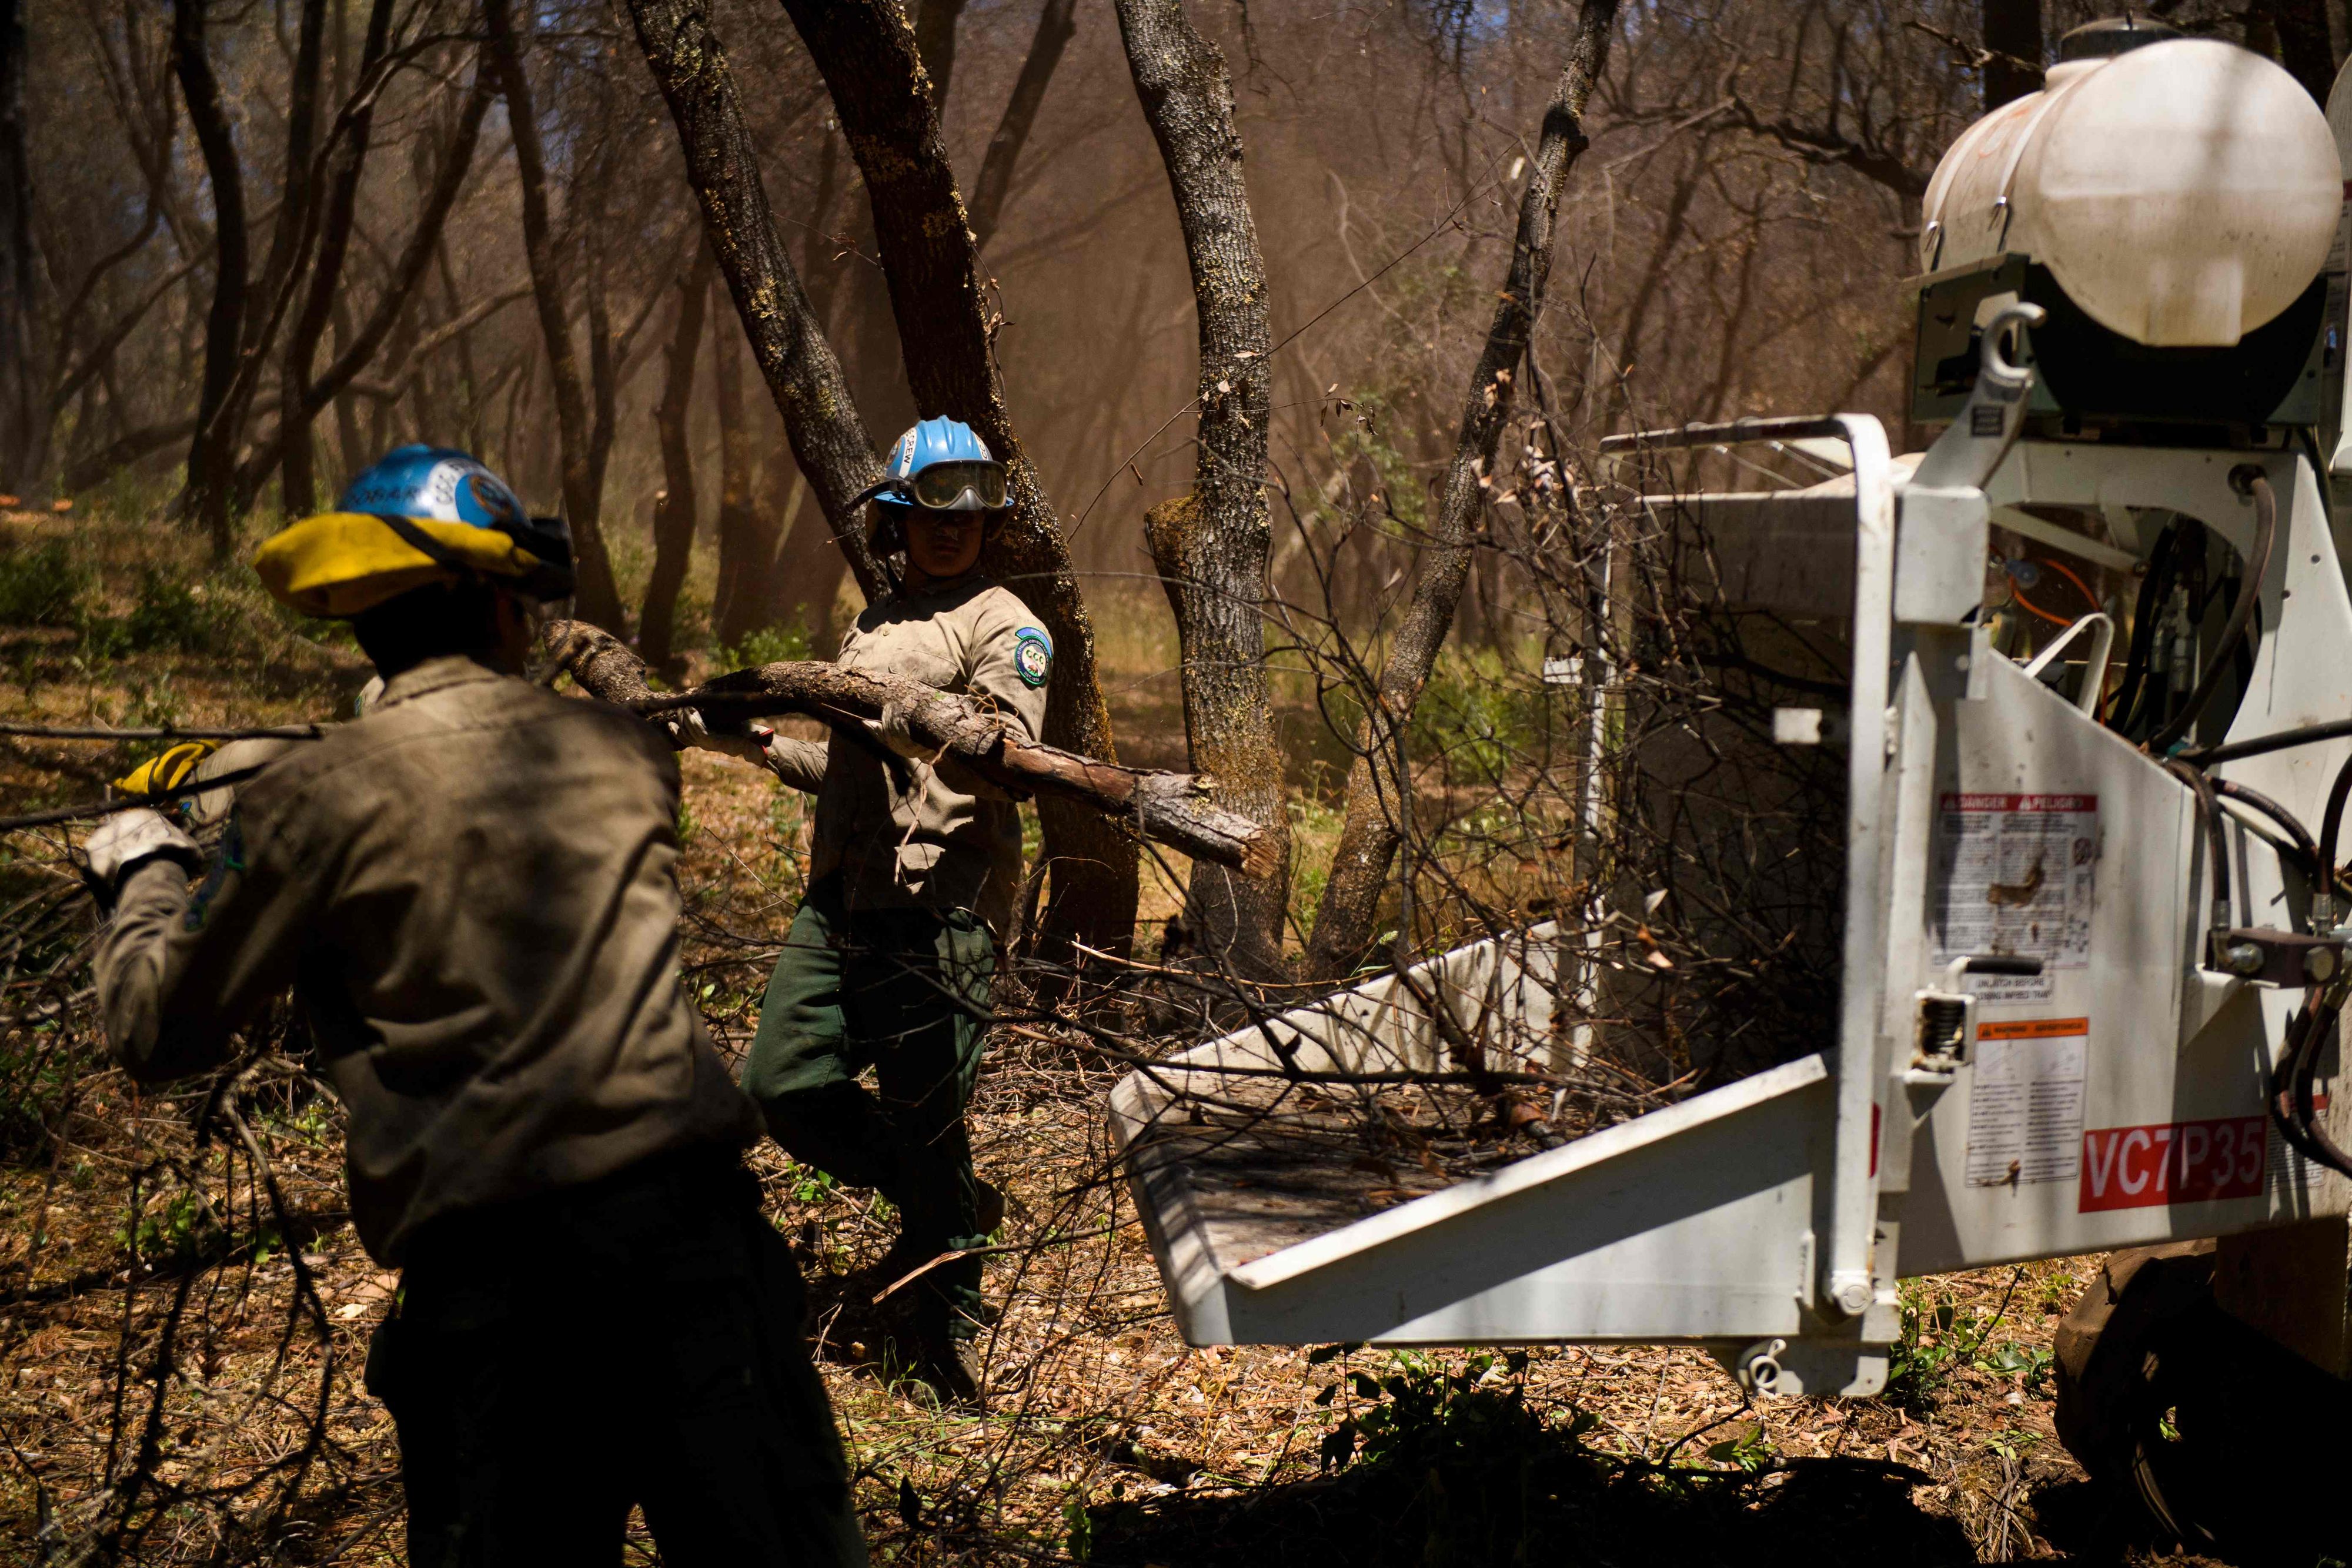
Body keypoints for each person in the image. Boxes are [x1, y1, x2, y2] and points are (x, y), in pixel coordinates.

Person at [82, 445, 867, 1568]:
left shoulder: (309, 795)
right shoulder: (626, 753)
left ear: (363, 617)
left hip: (502, 1305)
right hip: (700, 1263)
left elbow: (161, 1031)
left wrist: (143, 857)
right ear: (502, 607)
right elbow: (452, 763)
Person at [747, 417, 1049, 1405]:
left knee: (929, 1124)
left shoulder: (1007, 623)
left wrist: (923, 718)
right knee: (785, 1085)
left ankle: (945, 1333)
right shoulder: (873, 620)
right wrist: (756, 748)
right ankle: (950, 1203)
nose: (954, 527)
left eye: (972, 510)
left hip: (940, 909)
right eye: (933, 507)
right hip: (841, 897)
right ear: (897, 518)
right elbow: (847, 767)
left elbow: (1006, 755)